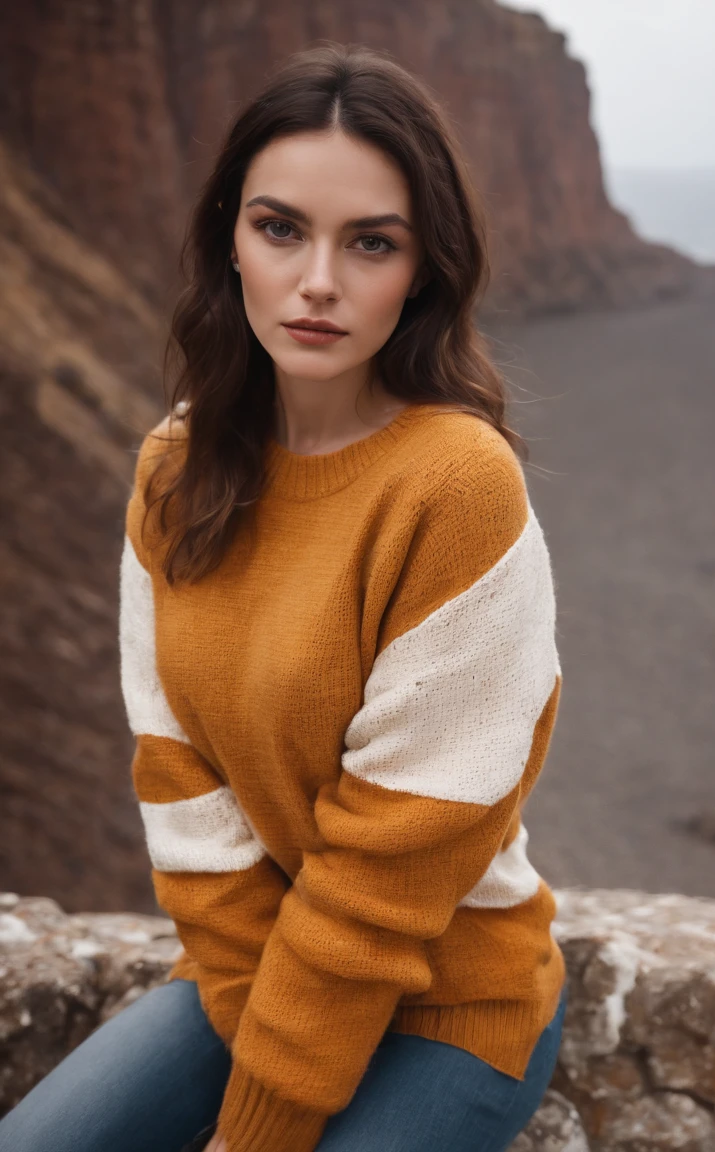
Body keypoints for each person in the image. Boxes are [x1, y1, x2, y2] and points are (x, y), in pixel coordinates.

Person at [0, 41, 568, 1152]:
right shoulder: (173, 467)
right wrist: (250, 1019)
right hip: (259, 968)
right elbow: (178, 780)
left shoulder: (456, 483)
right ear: (230, 241)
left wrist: (256, 1125)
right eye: (279, 229)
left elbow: (389, 864)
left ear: (422, 271)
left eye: (369, 243)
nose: (318, 281)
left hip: (452, 1004)